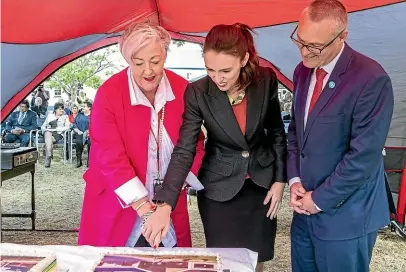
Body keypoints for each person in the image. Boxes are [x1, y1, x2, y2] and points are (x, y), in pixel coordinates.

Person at [148, 23, 287, 272]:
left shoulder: (265, 79)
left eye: (226, 70)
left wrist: (279, 180)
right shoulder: (197, 91)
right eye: (210, 69)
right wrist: (165, 203)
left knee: (255, 262)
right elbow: (184, 148)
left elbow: (276, 131)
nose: (218, 78)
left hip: (261, 185)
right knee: (225, 264)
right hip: (218, 188)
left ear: (244, 59)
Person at [287, 1, 394, 271]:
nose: (304, 52)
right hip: (304, 211)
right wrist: (294, 180)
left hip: (347, 216)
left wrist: (319, 200)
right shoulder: (302, 71)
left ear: (342, 36)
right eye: (299, 40)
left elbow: (364, 156)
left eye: (314, 46)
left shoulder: (370, 79)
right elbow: (296, 132)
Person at [78, 22, 205, 248]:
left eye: (155, 62)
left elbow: (195, 145)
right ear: (128, 60)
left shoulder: (184, 89)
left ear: (165, 55)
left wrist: (169, 198)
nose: (148, 71)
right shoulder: (109, 93)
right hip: (116, 202)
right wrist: (145, 208)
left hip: (169, 203)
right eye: (138, 63)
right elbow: (109, 154)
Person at [41, 102, 71, 167]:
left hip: (58, 133)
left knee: (48, 140)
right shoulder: (49, 115)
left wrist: (57, 129)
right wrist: (45, 129)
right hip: (48, 132)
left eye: (62, 109)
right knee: (48, 134)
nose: (61, 110)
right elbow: (43, 126)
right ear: (55, 110)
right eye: (59, 109)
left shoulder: (65, 117)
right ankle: (49, 155)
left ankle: (48, 155)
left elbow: (68, 127)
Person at [72, 101, 92, 168]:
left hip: (91, 134)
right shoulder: (79, 115)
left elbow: (97, 125)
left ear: (89, 107)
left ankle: (89, 161)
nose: (82, 108)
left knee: (90, 142)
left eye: (84, 106)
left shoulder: (94, 115)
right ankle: (79, 160)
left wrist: (90, 131)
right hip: (80, 132)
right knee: (78, 142)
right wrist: (77, 131)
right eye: (82, 106)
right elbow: (74, 124)